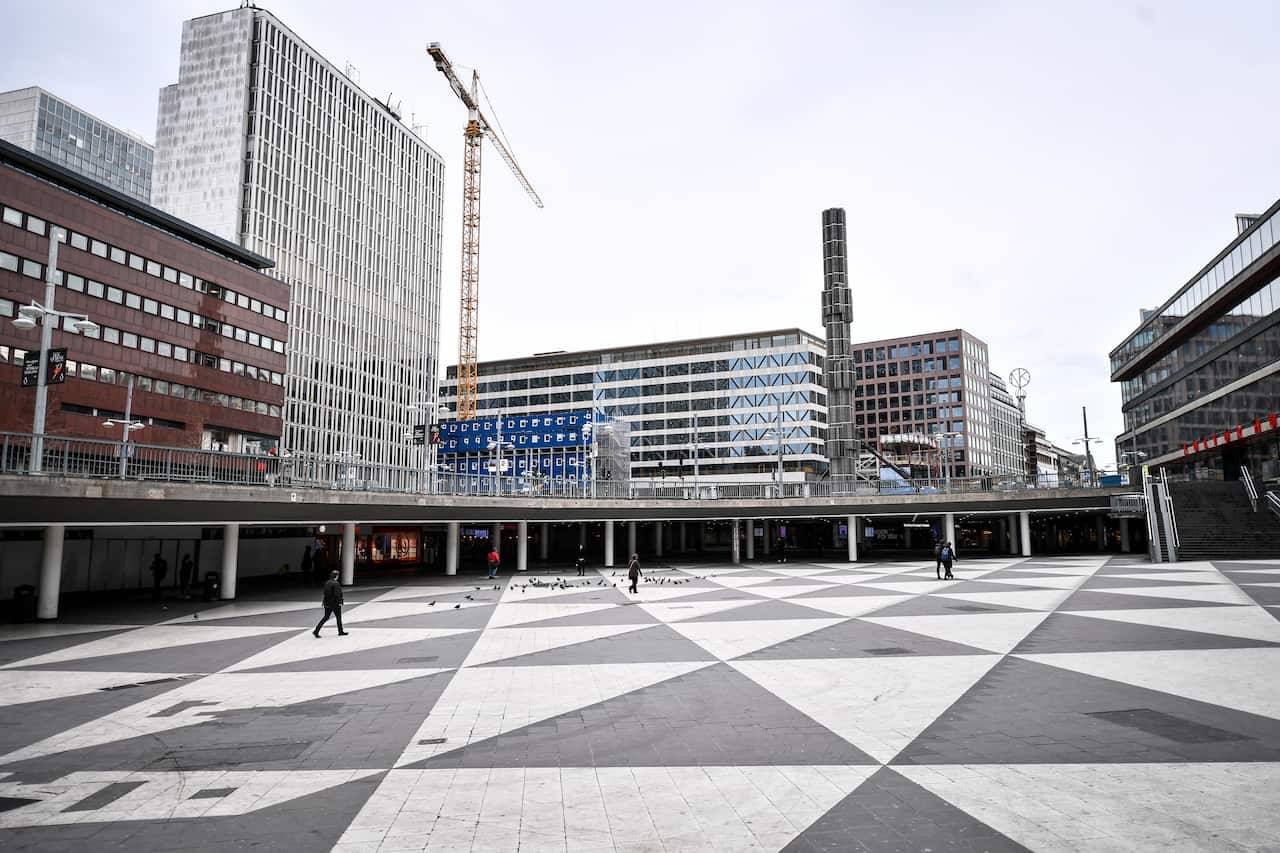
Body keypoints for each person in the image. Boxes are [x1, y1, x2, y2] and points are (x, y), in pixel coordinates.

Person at [314, 570, 348, 637]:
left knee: (325, 617)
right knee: (338, 617)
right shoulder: (336, 583)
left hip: (327, 603)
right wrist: (340, 602)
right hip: (335, 603)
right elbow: (337, 594)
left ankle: (316, 631)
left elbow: (325, 593)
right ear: (336, 576)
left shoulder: (327, 582)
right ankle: (340, 631)